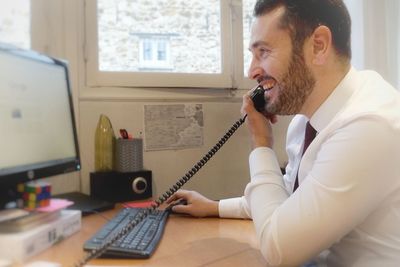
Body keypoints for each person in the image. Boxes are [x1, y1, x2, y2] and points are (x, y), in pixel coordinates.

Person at [166, 0, 400, 266]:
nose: (251, 71)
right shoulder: (305, 121)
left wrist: (261, 143)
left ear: (319, 45)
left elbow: (281, 250)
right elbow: (289, 199)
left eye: (263, 52)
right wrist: (215, 207)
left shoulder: (369, 125)